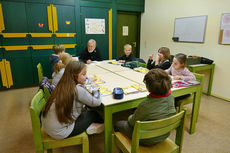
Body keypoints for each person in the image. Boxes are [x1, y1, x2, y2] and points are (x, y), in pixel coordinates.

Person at [41, 61, 104, 140]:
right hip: (60, 132)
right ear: (74, 76)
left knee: (85, 110)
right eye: (84, 74)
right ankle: (92, 126)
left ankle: (90, 126)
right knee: (94, 114)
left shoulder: (63, 84)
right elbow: (97, 102)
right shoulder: (77, 89)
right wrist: (97, 91)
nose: (86, 77)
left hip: (49, 127)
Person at [114, 69, 176, 146]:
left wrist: (130, 116)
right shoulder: (171, 97)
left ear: (148, 88)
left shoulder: (145, 105)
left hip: (145, 140)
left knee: (117, 124)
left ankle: (122, 148)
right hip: (164, 134)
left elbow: (132, 122)